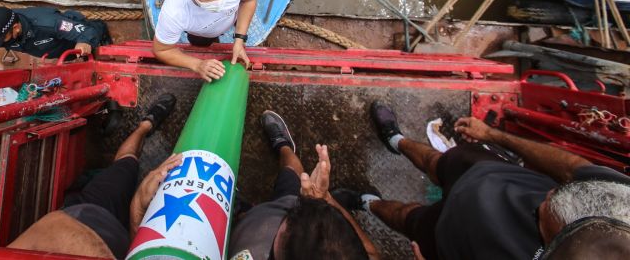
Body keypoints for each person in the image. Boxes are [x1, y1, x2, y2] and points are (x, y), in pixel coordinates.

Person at [365, 101, 630, 260]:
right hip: (490, 175)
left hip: (452, 239)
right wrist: (493, 135)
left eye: (542, 216)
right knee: (437, 161)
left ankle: (367, 203)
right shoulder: (622, 196)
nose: (542, 199)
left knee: (408, 218)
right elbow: (573, 167)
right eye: (554, 194)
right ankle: (396, 141)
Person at [8, 93, 178, 258]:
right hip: (127, 242)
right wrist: (137, 208)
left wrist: (137, 209)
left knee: (126, 163)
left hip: (88, 213)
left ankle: (146, 125)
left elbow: (50, 229)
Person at [228, 110, 379, 260]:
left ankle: (240, 212)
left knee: (243, 219)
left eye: (292, 220)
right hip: (266, 224)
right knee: (292, 174)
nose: (302, 206)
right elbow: (372, 254)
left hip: (250, 235)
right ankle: (283, 145)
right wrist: (325, 198)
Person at [153, 0, 257, 82]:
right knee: (200, 43)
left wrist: (240, 39)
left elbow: (248, 1)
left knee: (241, 22)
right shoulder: (174, 11)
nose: (220, 2)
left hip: (233, 15)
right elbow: (162, 50)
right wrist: (197, 64)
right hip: (201, 31)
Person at [0, 6, 110, 59]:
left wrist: (84, 42)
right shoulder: (5, 31)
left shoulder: (48, 23)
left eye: (0, 39)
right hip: (55, 50)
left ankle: (102, 35)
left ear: (16, 28)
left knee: (94, 33)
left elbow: (87, 31)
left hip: (71, 39)